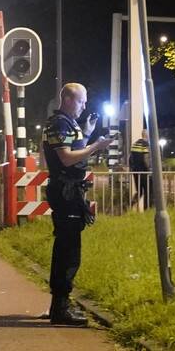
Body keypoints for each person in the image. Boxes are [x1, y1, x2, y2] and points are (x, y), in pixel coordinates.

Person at [42, 83, 112, 326]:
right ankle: (61, 308)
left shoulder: (68, 124)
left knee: (66, 247)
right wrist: (95, 147)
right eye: (82, 101)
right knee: (69, 251)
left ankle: (58, 305)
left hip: (68, 191)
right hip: (66, 192)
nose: (84, 106)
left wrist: (88, 133)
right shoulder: (60, 124)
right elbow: (66, 158)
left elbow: (73, 149)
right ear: (69, 99)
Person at [128, 128, 152, 209]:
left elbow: (130, 159)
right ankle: (147, 209)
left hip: (136, 172)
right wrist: (149, 170)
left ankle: (130, 205)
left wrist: (132, 168)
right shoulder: (145, 144)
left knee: (140, 191)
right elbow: (146, 159)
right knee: (148, 191)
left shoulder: (135, 144)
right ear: (147, 135)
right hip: (144, 172)